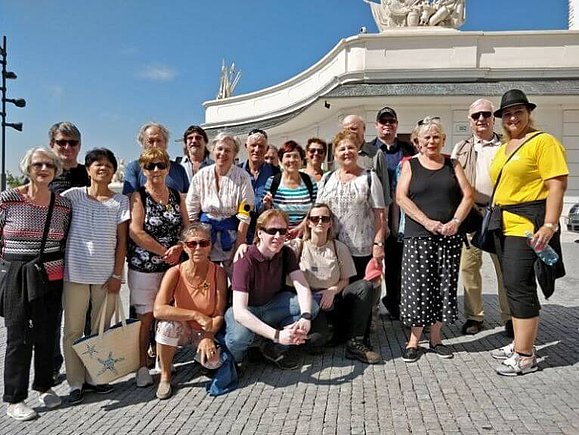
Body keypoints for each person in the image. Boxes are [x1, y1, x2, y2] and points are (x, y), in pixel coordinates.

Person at [489, 89, 568, 376]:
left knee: (520, 285)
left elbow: (557, 184)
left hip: (527, 225)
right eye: (507, 113)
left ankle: (525, 355)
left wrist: (550, 224)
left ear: (528, 113)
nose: (512, 117)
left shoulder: (543, 142)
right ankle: (519, 341)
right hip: (504, 224)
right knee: (512, 284)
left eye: (518, 112)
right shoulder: (506, 146)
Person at [0, 148, 71, 421]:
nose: (43, 169)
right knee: (18, 336)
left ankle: (44, 385)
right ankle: (15, 398)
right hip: (16, 272)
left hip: (51, 272)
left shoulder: (63, 205)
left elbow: (64, 241)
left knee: (47, 332)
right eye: (37, 164)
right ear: (27, 168)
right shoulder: (8, 200)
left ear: (55, 170)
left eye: (49, 165)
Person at [396, 117, 473, 363]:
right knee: (417, 288)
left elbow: (468, 195)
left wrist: (456, 222)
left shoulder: (453, 164)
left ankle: (437, 338)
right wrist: (427, 222)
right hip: (419, 235)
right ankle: (413, 341)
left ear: (443, 140)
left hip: (449, 237)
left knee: (444, 286)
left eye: (436, 136)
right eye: (426, 137)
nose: (431, 141)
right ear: (418, 142)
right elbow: (401, 198)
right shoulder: (410, 164)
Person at [61, 148, 130, 404]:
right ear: (88, 169)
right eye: (97, 164)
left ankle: (95, 376)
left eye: (108, 165)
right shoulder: (72, 197)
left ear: (114, 171)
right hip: (76, 273)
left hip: (106, 276)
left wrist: (116, 274)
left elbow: (122, 242)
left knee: (100, 329)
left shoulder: (120, 202)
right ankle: (75, 381)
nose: (103, 168)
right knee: (73, 330)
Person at [224, 209, 318, 370]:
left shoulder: (286, 253)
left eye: (282, 231)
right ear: (260, 233)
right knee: (239, 337)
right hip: (246, 309)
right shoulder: (245, 258)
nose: (278, 236)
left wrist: (306, 318)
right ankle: (237, 359)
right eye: (272, 231)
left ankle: (273, 349)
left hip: (270, 305)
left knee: (311, 307)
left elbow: (302, 287)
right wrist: (277, 335)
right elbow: (240, 311)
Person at [127, 148, 189, 388]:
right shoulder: (138, 196)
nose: (156, 170)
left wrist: (180, 246)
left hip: (173, 266)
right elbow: (135, 231)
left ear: (168, 168)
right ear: (143, 169)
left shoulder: (176, 195)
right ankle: (141, 365)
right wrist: (164, 251)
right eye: (150, 166)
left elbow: (186, 227)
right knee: (145, 318)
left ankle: (163, 362)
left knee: (167, 314)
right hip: (144, 267)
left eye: (160, 165)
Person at [289, 204, 380, 363]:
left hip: (335, 298)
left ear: (330, 223)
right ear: (308, 222)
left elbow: (345, 279)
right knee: (315, 341)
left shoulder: (339, 248)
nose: (319, 222)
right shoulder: (298, 246)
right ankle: (328, 334)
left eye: (324, 219)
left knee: (364, 287)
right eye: (315, 218)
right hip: (310, 303)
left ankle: (355, 342)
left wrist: (332, 290)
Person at [451, 99, 511, 337]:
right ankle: (475, 316)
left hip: (500, 213)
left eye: (486, 114)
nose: (481, 119)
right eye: (476, 116)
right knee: (469, 267)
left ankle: (509, 317)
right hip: (471, 214)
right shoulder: (461, 147)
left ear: (493, 117)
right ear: (470, 120)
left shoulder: (506, 145)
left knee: (504, 268)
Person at [153, 223, 227, 399]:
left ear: (210, 245)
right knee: (167, 325)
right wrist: (194, 315)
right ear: (184, 247)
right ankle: (165, 376)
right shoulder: (175, 272)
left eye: (203, 243)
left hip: (205, 331)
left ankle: (199, 357)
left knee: (214, 364)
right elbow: (158, 309)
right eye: (192, 244)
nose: (198, 248)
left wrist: (208, 337)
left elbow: (218, 314)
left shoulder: (219, 273)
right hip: (182, 328)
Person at [47, 121, 90, 382]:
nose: (67, 147)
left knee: (84, 316)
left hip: (83, 256)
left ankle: (87, 363)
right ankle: (52, 366)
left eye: (72, 142)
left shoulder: (88, 174)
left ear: (79, 146)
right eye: (61, 142)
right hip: (52, 256)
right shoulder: (44, 173)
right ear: (52, 145)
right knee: (52, 316)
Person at [317, 130, 386, 281]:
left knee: (360, 294)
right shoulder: (327, 179)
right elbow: (317, 212)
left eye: (351, 148)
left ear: (357, 151)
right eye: (342, 149)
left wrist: (378, 244)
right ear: (335, 155)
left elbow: (380, 214)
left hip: (361, 250)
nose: (347, 152)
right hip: (331, 249)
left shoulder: (370, 178)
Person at [368, 107, 417, 320]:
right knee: (374, 263)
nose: (387, 124)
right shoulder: (368, 150)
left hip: (400, 216)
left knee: (398, 263)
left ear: (396, 124)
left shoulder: (407, 149)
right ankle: (370, 307)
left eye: (391, 121)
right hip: (375, 215)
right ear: (377, 125)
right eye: (383, 121)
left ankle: (395, 302)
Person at [187, 132, 254, 276]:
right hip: (205, 237)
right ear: (213, 150)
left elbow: (245, 214)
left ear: (234, 153)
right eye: (220, 149)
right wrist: (196, 244)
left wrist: (238, 247)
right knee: (207, 281)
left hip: (232, 237)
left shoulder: (243, 177)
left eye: (228, 150)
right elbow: (191, 212)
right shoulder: (201, 176)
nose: (222, 153)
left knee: (238, 279)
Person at [263, 140, 317, 236]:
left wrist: (301, 227)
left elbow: (315, 208)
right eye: (288, 156)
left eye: (296, 156)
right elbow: (267, 213)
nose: (292, 160)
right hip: (279, 237)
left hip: (304, 236)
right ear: (280, 160)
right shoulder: (272, 182)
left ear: (301, 160)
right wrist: (267, 205)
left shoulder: (309, 181)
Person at [123, 122, 190, 195]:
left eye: (159, 141)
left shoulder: (179, 169)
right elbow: (129, 198)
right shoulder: (134, 168)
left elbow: (189, 198)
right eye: (150, 141)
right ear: (142, 144)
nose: (155, 145)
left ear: (166, 143)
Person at [239, 129, 280, 243]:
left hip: (266, 233)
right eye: (253, 145)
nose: (257, 150)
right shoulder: (236, 172)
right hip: (239, 232)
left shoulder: (276, 173)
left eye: (261, 146)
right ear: (246, 146)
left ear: (266, 149)